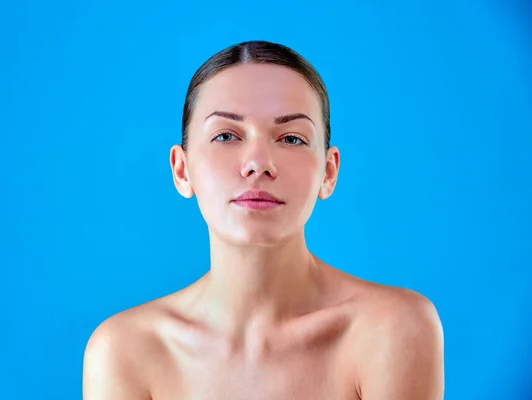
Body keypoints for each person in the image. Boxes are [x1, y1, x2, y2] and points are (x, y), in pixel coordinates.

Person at [82, 40, 444, 399]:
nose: (258, 163)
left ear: (328, 172)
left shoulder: (393, 331)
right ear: (181, 170)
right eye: (226, 135)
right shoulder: (124, 351)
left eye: (291, 138)